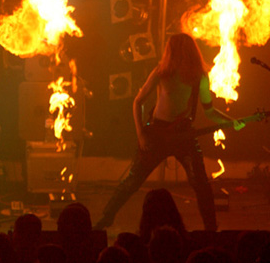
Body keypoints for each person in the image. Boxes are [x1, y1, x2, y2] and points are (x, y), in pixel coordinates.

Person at [94, 33, 245, 231]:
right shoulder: (162, 72)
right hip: (157, 134)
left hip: (184, 135)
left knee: (200, 184)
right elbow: (138, 102)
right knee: (132, 181)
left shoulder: (199, 76)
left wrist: (231, 122)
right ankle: (105, 219)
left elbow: (209, 111)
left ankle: (210, 228)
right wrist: (141, 135)